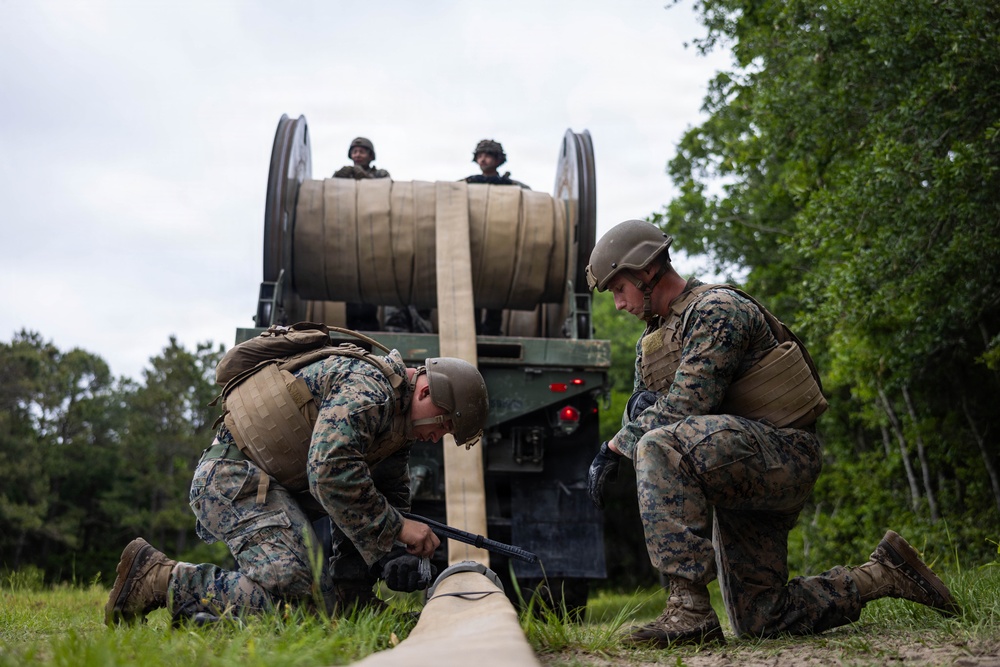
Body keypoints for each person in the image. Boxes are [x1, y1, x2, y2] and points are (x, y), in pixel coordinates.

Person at [584, 219, 959, 647]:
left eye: (618, 289)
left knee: (657, 446)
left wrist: (616, 445)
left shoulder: (717, 309)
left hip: (781, 454)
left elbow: (685, 407)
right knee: (762, 618)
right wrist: (634, 418)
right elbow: (650, 407)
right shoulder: (652, 338)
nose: (617, 304)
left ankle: (688, 611)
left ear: (646, 272)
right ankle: (884, 574)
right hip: (730, 461)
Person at [105, 349, 489, 626]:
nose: (438, 437)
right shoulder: (369, 390)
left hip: (268, 487)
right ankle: (159, 579)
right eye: (444, 426)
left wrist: (394, 554)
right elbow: (330, 472)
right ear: (425, 394)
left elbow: (382, 502)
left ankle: (346, 603)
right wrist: (398, 528)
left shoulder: (396, 427)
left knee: (321, 611)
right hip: (232, 479)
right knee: (298, 591)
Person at [333, 136, 389, 330]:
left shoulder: (381, 174)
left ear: (370, 155)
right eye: (354, 151)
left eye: (361, 151)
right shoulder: (344, 175)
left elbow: (386, 192)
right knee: (351, 286)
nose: (357, 155)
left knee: (369, 283)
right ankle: (353, 329)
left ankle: (369, 330)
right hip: (349, 235)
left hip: (373, 235)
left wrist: (364, 179)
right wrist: (337, 179)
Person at [463, 139, 529, 189]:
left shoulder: (513, 185)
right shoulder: (468, 182)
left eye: (487, 156)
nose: (482, 160)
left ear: (498, 160)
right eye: (479, 156)